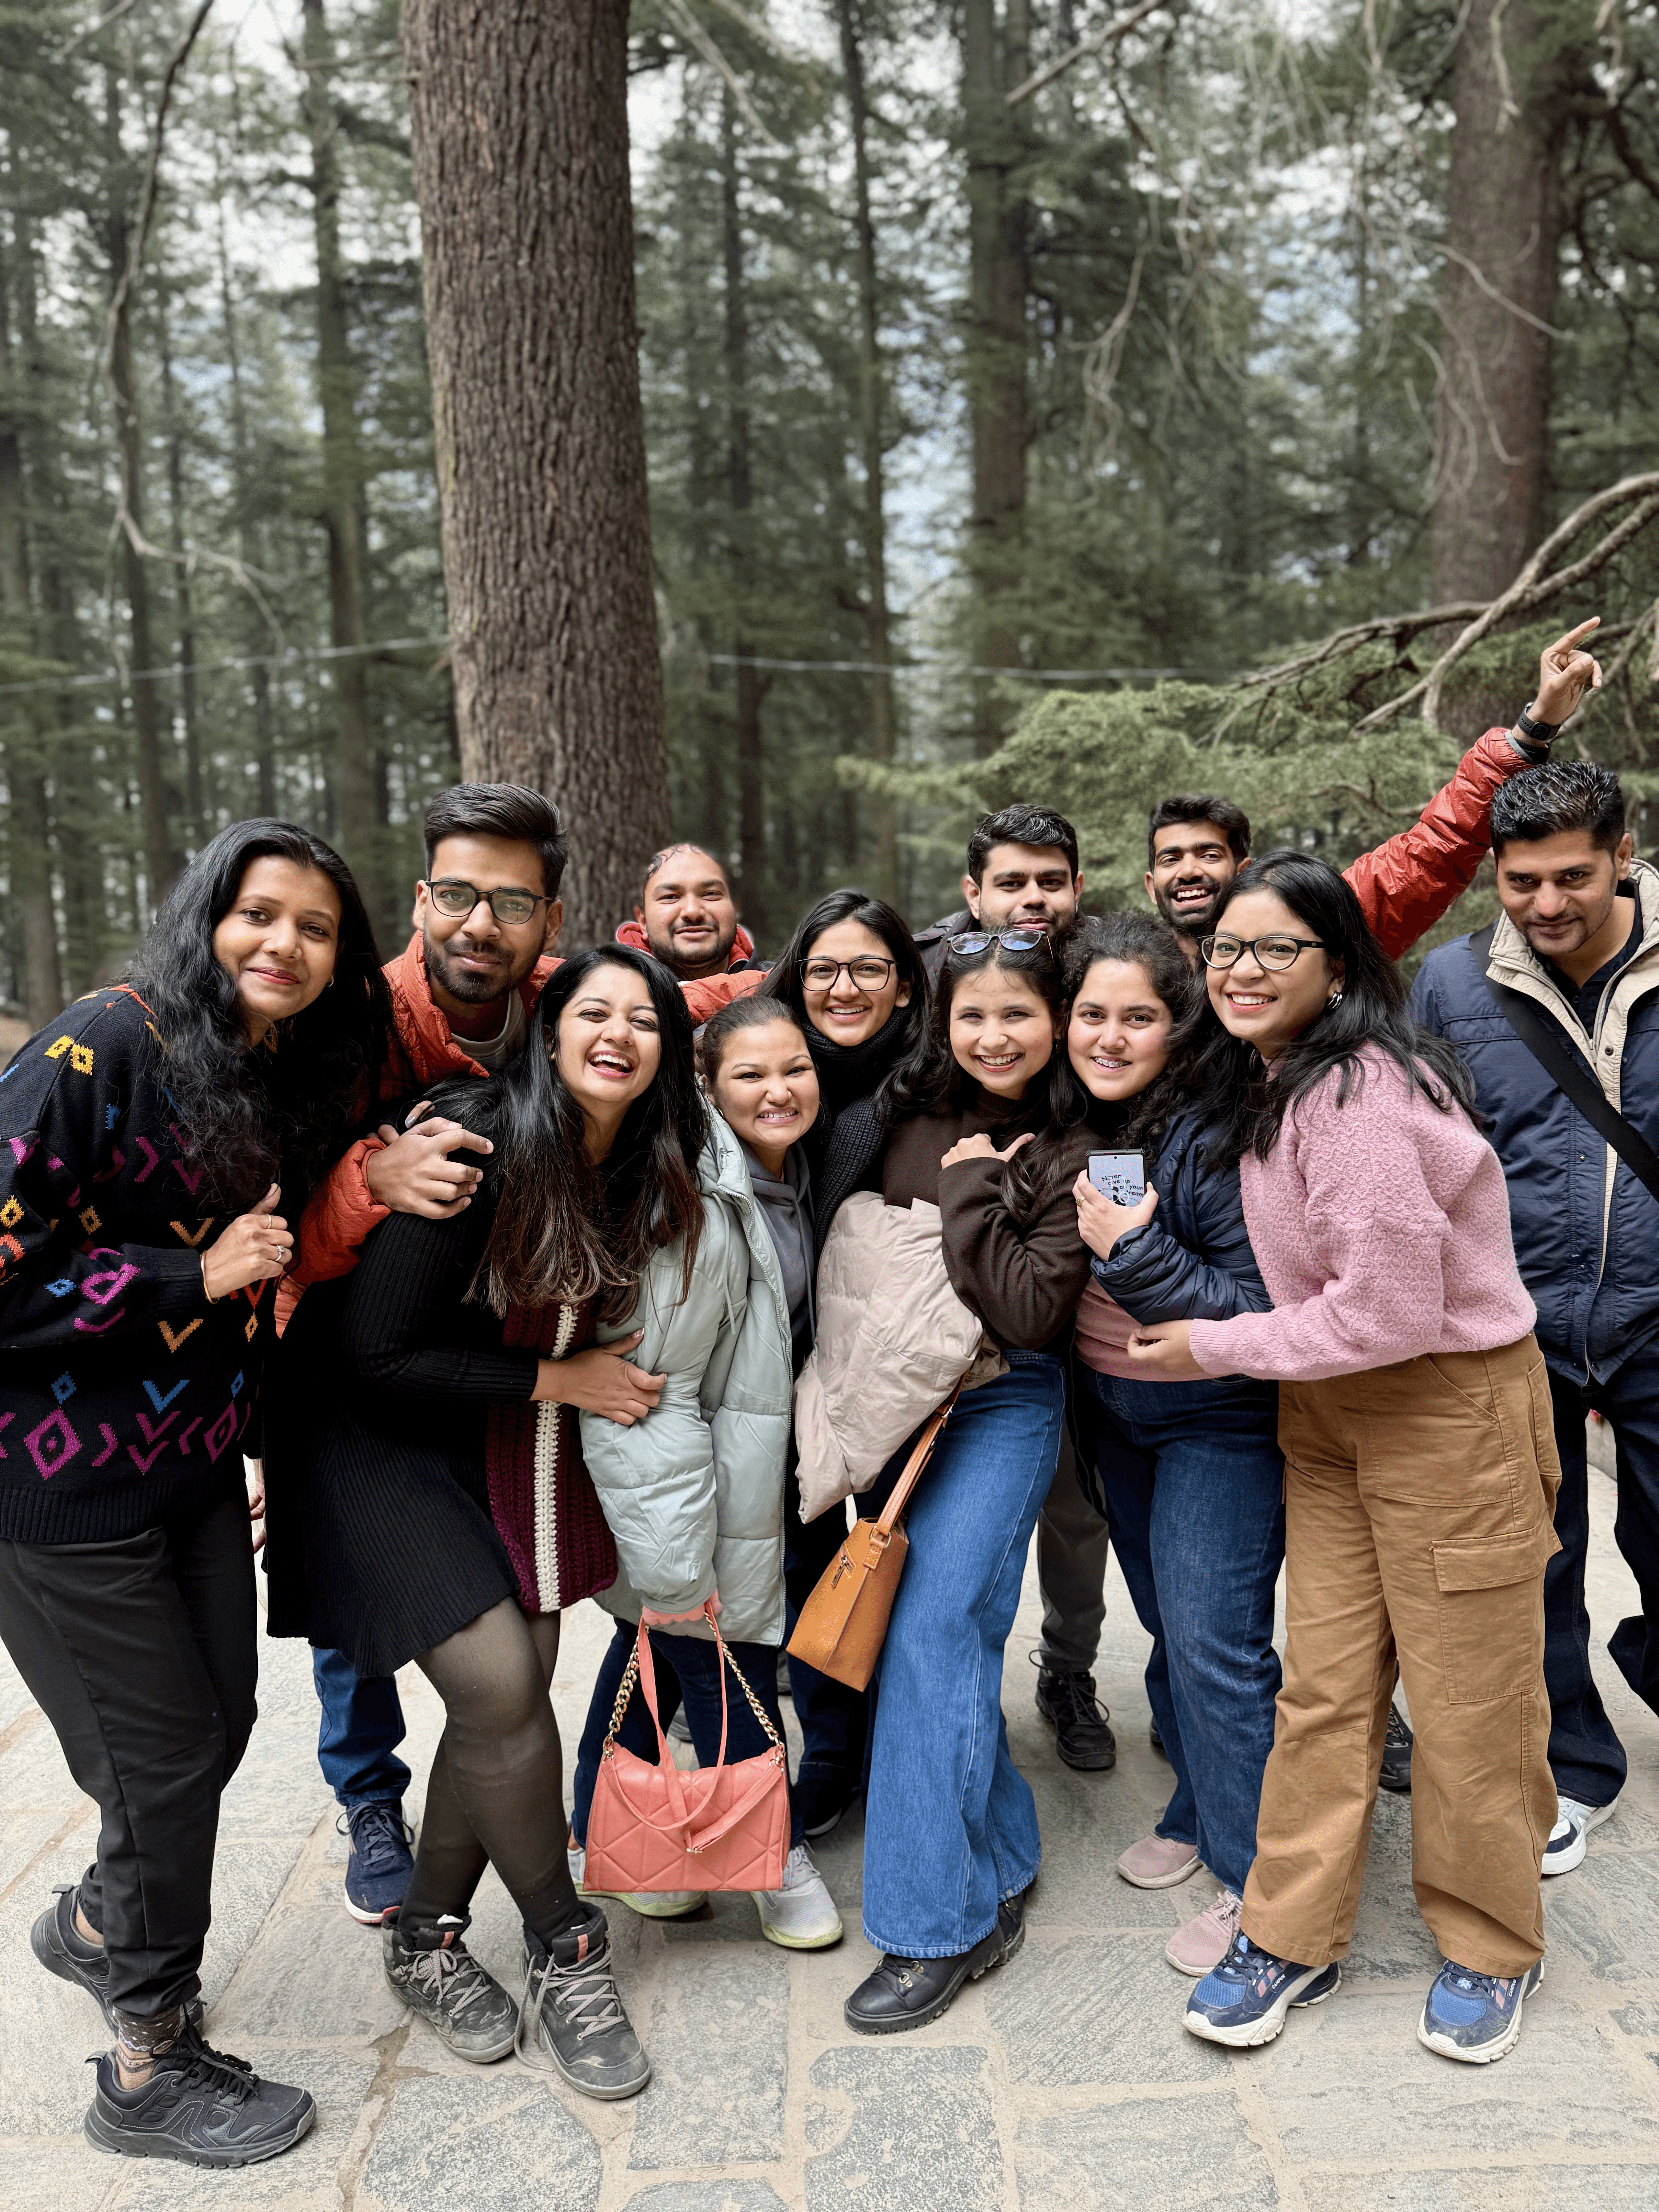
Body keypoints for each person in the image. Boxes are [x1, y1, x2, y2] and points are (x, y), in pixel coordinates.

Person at [269, 944, 778, 2100]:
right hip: (362, 1429)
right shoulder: (478, 1148)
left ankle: (427, 1937)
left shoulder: (644, 1163)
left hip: (485, 1432)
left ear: (667, 1055)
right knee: (502, 1684)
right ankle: (567, 1942)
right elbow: (373, 1352)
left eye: (642, 1019)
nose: (617, 1032)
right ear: (548, 1034)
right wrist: (561, 1384)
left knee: (511, 1687)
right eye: (590, 1011)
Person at [2, 819, 390, 2167]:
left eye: (316, 926)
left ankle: (105, 1925)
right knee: (160, 1762)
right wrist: (188, 1278)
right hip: (58, 1495)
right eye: (257, 913)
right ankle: (145, 2065)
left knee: (218, 1729)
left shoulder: (273, 1069)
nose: (283, 943)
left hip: (195, 1474)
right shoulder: (99, 1045)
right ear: (206, 917)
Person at [1129, 854, 1559, 2066]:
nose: (1242, 970)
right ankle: (1293, 1927)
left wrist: (1208, 1342)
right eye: (1227, 950)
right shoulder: (1279, 1077)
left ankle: (1490, 1944)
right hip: (1327, 1414)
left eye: (1276, 949)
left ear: (1339, 964)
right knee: (1323, 1688)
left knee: (1470, 1694)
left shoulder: (1363, 1099)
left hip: (1443, 1409)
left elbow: (1388, 1312)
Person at [284, 781, 565, 1925]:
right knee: (362, 1602)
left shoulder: (559, 1008)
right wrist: (368, 1176)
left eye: (509, 900)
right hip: (346, 1361)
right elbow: (265, 1221)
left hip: (478, 1357)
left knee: (495, 1634)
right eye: (456, 893)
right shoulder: (353, 1022)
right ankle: (368, 1798)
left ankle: (478, 1817)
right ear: (419, 897)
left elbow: (692, 1003)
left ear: (550, 915)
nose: (478, 924)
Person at [842, 927, 1097, 2033]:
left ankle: (927, 1927)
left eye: (1019, 1014)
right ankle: (1000, 1854)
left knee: (930, 1632)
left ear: (1056, 1021)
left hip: (1001, 1403)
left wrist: (970, 1194)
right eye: (972, 1015)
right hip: (888, 1403)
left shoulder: (1078, 1143)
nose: (994, 1036)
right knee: (942, 1632)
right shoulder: (895, 1110)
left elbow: (1033, 1309)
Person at [1414, 737, 1659, 1884]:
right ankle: (1572, 1763)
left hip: (1658, 1315)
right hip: (1515, 1329)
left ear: (1624, 852)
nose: (1548, 903)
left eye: (1573, 876)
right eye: (1522, 882)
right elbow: (1421, 1153)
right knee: (1536, 1562)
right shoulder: (1452, 987)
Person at [564, 991, 842, 1951]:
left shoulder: (790, 1170)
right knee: (725, 1657)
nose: (779, 1090)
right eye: (750, 1075)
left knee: (656, 1651)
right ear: (708, 1088)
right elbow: (651, 1397)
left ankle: (601, 1826)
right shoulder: (693, 1200)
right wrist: (680, 1554)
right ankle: (777, 1857)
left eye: (794, 1069)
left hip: (746, 1468)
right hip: (685, 1477)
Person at [1061, 913, 1285, 1977]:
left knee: (1215, 1644)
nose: (1108, 1036)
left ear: (1178, 1024)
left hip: (1217, 1418)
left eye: (1136, 1017)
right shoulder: (1073, 1114)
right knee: (1168, 1626)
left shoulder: (1219, 1125)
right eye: (1090, 1013)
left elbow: (1251, 1311)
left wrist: (1137, 1251)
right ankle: (1201, 1808)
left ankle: (1263, 1892)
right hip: (1118, 1416)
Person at [918, 811, 1116, 1773]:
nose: (1032, 898)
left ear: (1078, 885)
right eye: (1011, 882)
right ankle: (950, 1700)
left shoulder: (1106, 977)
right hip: (989, 1320)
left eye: (1051, 880)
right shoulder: (944, 971)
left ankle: (1068, 1671)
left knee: (1078, 1517)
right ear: (975, 894)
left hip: (1100, 1306)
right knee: (964, 1539)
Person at [755, 889, 930, 1834]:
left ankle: (897, 1735)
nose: (844, 986)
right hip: (782, 1359)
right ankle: (829, 1748)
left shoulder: (930, 1080)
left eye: (868, 968)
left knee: (901, 1551)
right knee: (806, 1555)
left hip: (899, 1368)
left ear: (905, 986)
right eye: (824, 967)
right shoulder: (770, 1071)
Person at [616, 843, 763, 1018]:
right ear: (643, 921)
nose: (693, 912)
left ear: (735, 910)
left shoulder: (786, 988)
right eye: (670, 897)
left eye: (711, 894)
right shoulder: (605, 992)